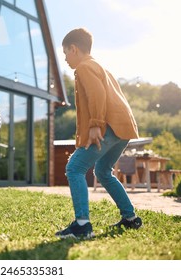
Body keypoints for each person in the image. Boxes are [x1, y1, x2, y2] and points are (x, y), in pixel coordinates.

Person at [55, 28, 142, 239]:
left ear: (73, 49)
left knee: (75, 168)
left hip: (108, 126)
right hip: (123, 128)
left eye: (65, 53)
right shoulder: (100, 66)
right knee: (103, 171)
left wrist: (95, 124)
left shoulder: (84, 67)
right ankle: (130, 218)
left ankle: (82, 225)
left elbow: (97, 95)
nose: (65, 58)